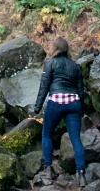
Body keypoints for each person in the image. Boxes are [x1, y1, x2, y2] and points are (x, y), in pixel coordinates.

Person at [31, 37, 87, 187]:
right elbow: (81, 90)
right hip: (73, 103)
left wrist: (37, 108)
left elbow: (44, 87)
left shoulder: (50, 64)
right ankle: (81, 174)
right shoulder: (75, 66)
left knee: (47, 134)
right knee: (76, 139)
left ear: (55, 49)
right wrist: (81, 110)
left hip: (56, 103)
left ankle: (48, 170)